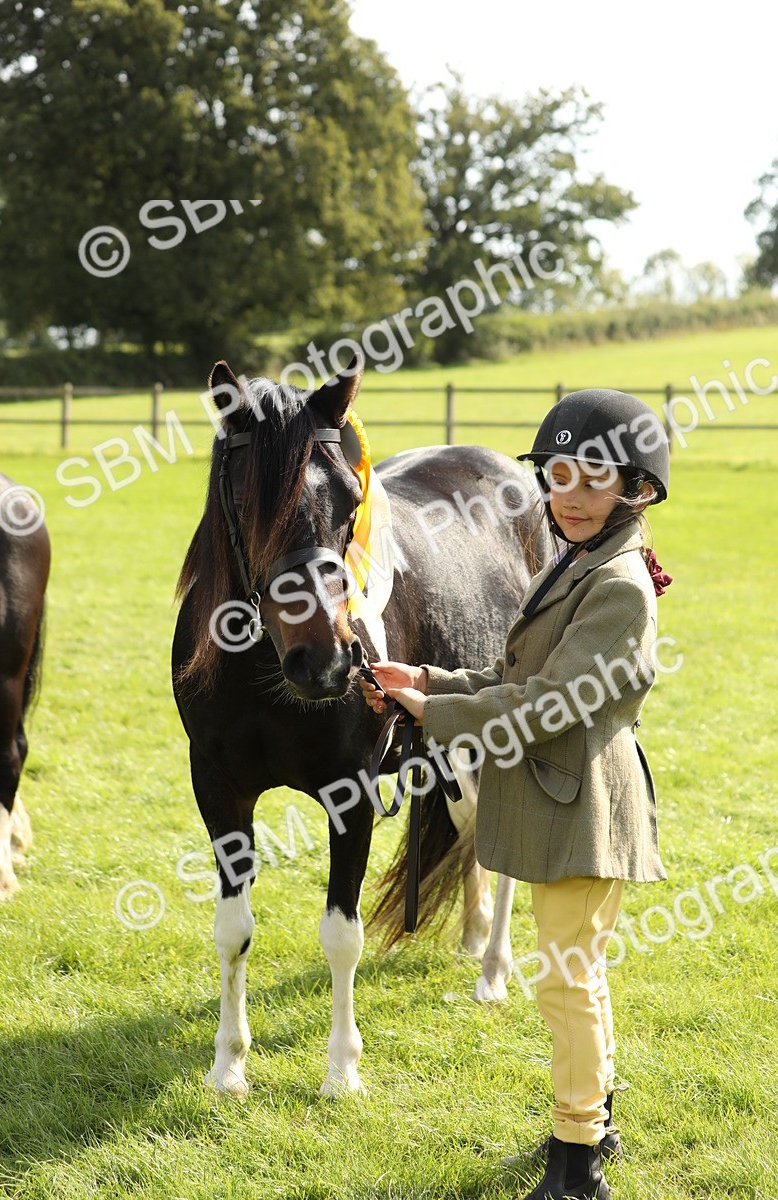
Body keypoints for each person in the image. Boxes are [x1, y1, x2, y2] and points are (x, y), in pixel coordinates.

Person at [360, 390, 673, 1200]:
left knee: (567, 983)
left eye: (593, 479)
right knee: (576, 978)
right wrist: (425, 678)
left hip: (585, 806)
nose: (569, 495)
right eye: (558, 475)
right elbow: (514, 676)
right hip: (562, 796)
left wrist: (432, 713)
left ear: (637, 488)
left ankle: (578, 1165)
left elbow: (546, 707)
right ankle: (593, 1122)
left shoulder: (619, 587)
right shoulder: (576, 559)